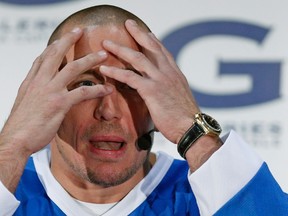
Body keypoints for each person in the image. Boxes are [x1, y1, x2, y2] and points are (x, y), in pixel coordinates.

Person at [0, 4, 287, 216]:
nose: (108, 110)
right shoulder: (10, 185)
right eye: (86, 84)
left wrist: (194, 132)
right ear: (43, 94)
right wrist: (11, 147)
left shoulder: (206, 197)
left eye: (130, 84)